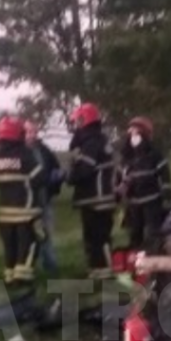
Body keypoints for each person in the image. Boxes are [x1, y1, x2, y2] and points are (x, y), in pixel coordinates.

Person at [0, 116, 44, 286]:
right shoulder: (25, 154)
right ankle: (23, 278)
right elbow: (39, 177)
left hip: (5, 213)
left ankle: (9, 276)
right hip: (26, 210)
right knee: (32, 241)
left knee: (10, 246)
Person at [67, 103, 116, 280]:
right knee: (92, 237)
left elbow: (85, 169)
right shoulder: (97, 139)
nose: (75, 125)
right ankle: (96, 270)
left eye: (77, 120)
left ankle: (106, 270)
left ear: (84, 120)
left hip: (97, 198)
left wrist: (69, 177)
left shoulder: (92, 142)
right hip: (94, 198)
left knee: (99, 236)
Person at [118, 116, 171, 252]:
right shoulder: (126, 156)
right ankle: (135, 260)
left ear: (145, 134)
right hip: (133, 203)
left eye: (137, 132)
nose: (133, 135)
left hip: (152, 201)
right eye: (131, 132)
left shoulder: (154, 154)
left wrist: (167, 195)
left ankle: (156, 257)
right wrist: (118, 192)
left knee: (154, 232)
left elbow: (165, 175)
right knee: (134, 233)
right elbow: (120, 177)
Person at [25, 121, 64, 276]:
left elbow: (55, 167)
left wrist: (56, 180)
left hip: (44, 198)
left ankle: (50, 266)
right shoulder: (19, 151)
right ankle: (29, 268)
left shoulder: (44, 150)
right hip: (26, 201)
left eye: (35, 132)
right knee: (28, 235)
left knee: (46, 233)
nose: (33, 135)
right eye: (29, 132)